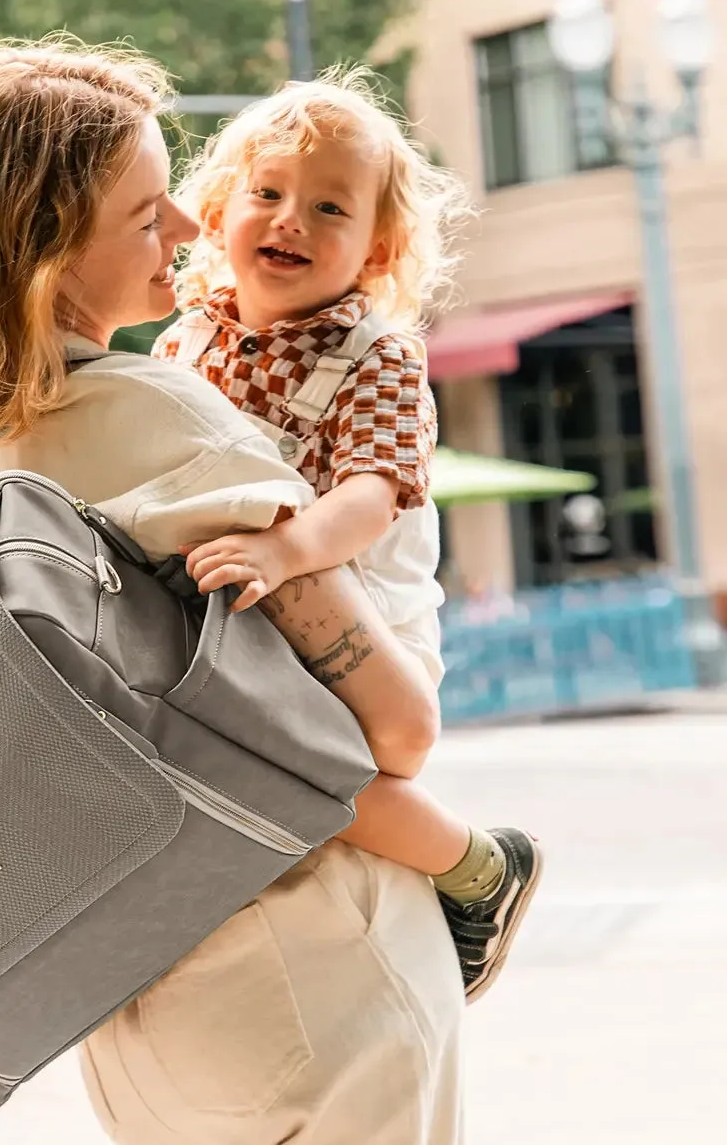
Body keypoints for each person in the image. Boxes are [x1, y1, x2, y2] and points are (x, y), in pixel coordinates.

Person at [0, 37, 465, 1145]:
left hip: (131, 985)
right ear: (50, 246)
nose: (191, 234)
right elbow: (399, 730)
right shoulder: (160, 418)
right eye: (148, 215)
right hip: (314, 964)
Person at [152, 70, 542, 1000]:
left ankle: (479, 867)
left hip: (368, 616)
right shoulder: (184, 342)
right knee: (231, 755)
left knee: (318, 765)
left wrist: (287, 548)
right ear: (215, 209)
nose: (291, 220)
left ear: (378, 246)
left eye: (330, 207)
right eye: (268, 193)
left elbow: (374, 493)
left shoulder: (377, 354)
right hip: (254, 610)